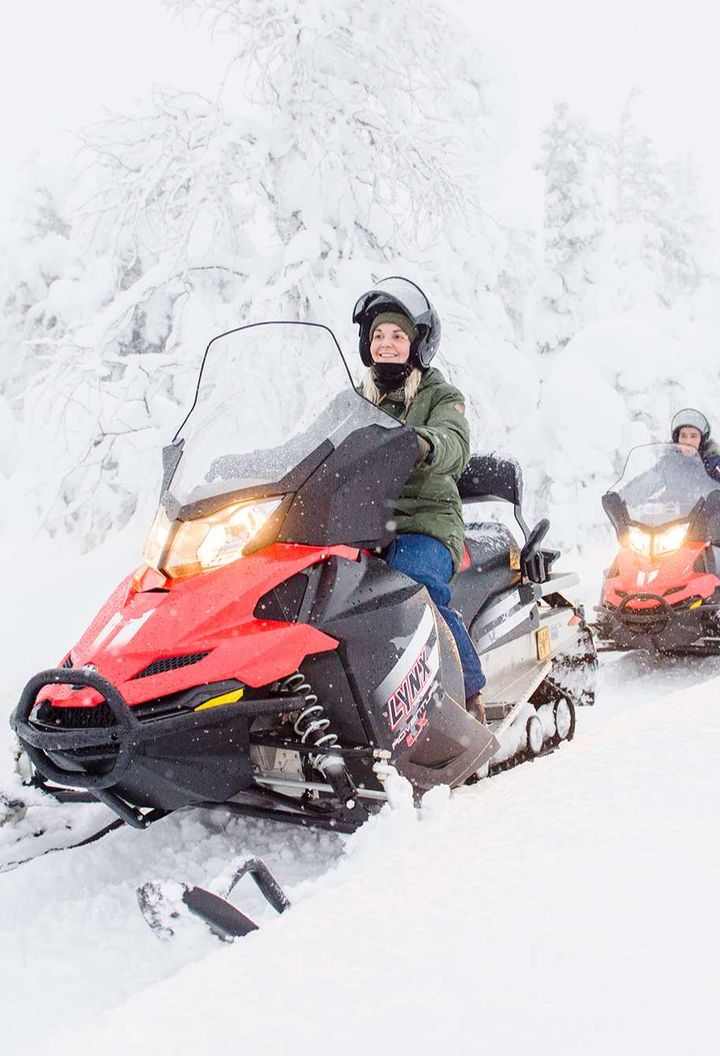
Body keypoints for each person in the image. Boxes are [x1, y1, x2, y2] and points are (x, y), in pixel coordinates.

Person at [352, 276, 486, 721]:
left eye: (397, 336)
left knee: (411, 584)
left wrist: (423, 443)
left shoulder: (441, 395)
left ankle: (467, 697)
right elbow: (320, 444)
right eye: (378, 336)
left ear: (416, 344)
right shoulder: (355, 401)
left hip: (425, 524)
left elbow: (454, 441)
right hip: (364, 526)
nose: (386, 344)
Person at [670, 408, 720, 480]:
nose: (688, 441)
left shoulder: (712, 463)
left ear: (701, 440)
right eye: (683, 436)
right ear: (677, 439)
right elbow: (650, 481)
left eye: (693, 436)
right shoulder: (669, 461)